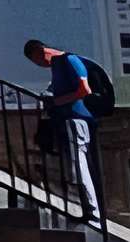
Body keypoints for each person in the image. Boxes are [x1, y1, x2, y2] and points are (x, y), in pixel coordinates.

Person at [23, 37, 111, 225]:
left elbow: (84, 90)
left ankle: (93, 211)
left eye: (37, 61)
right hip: (69, 120)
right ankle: (88, 208)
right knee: (74, 165)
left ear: (41, 52)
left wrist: (57, 102)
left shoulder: (69, 60)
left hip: (77, 119)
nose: (39, 65)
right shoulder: (57, 67)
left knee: (79, 164)